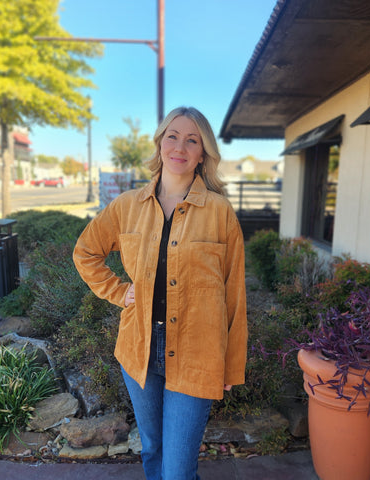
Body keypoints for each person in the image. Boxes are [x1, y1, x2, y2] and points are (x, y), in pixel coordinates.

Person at [73, 106, 247, 480]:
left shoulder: (220, 212)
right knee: (152, 449)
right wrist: (120, 292)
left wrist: (232, 363)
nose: (180, 146)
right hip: (139, 346)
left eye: (192, 139)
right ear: (160, 143)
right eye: (173, 136)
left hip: (197, 351)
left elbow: (234, 294)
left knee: (178, 471)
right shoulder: (127, 207)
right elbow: (85, 252)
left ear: (203, 153)